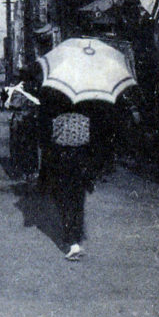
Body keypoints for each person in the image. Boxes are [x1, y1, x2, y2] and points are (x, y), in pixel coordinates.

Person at [40, 90, 97, 260]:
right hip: (81, 158)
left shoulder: (55, 101)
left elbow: (47, 136)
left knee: (65, 199)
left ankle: (72, 241)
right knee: (77, 199)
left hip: (62, 158)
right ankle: (75, 239)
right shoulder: (87, 102)